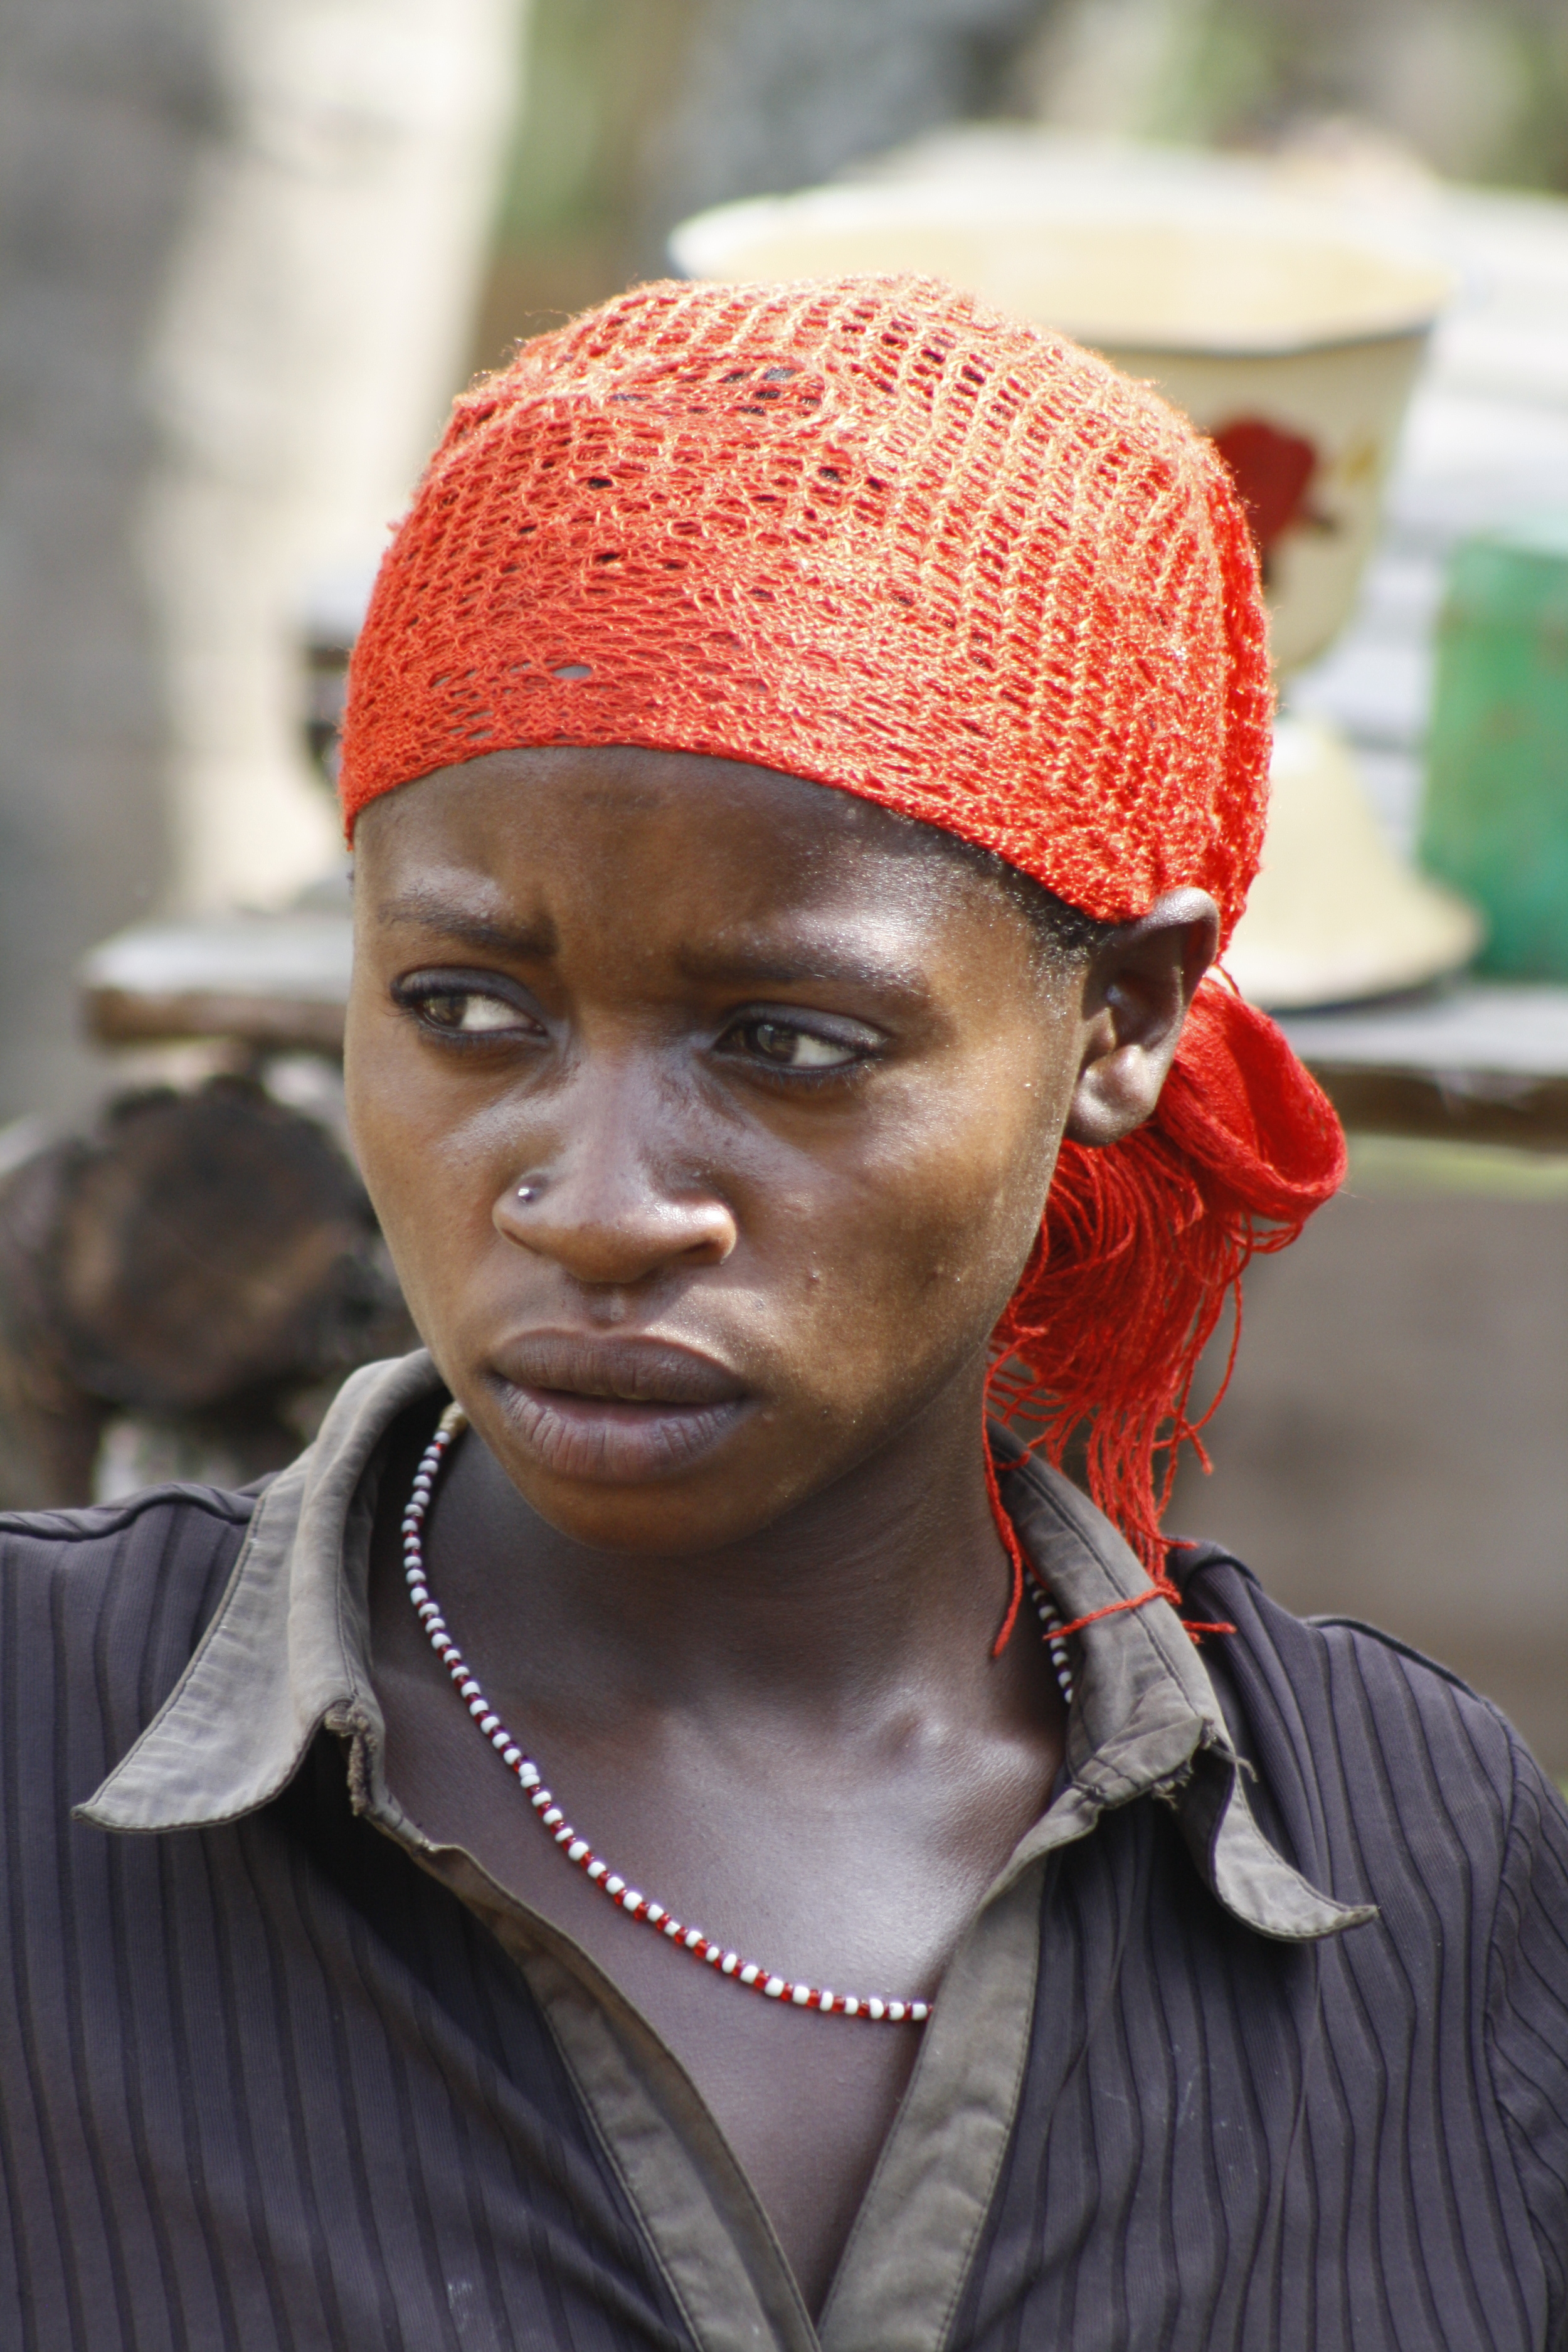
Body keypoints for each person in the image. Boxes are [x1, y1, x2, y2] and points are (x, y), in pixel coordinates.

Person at [3, 275, 1565, 2352]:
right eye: (466, 1013)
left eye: (788, 1039)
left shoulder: (1418, 1868)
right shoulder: (32, 1744)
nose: (598, 1201)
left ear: (1117, 1022)